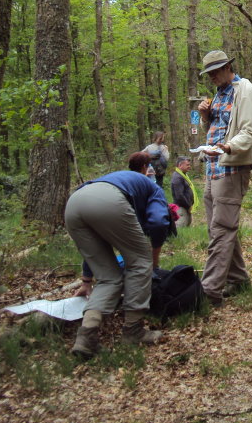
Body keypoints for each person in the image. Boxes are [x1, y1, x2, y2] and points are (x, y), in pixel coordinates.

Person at [65, 153, 171, 358]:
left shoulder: (121, 179)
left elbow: (95, 252)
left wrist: (87, 280)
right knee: (140, 262)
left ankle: (86, 337)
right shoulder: (154, 188)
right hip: (109, 201)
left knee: (108, 276)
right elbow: (159, 222)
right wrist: (153, 257)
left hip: (74, 203)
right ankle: (133, 330)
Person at [197, 50, 252, 305]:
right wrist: (205, 116)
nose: (212, 77)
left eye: (215, 71)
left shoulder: (245, 91)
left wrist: (229, 146)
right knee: (219, 225)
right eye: (208, 73)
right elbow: (215, 127)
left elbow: (249, 132)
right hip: (212, 167)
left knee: (221, 228)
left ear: (228, 67)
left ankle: (209, 291)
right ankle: (238, 279)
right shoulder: (219, 93)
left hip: (231, 167)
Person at [171, 156, 196, 227]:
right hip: (181, 208)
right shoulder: (177, 178)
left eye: (189, 165)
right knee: (180, 227)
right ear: (180, 165)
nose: (189, 166)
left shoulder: (183, 176)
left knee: (186, 226)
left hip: (185, 207)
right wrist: (188, 205)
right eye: (187, 165)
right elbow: (179, 196)